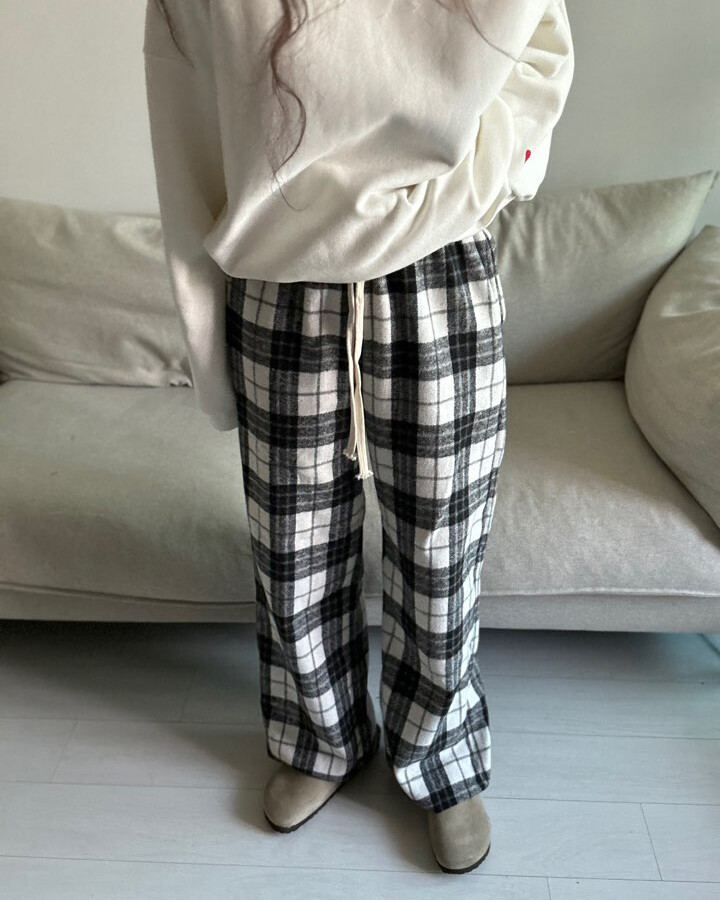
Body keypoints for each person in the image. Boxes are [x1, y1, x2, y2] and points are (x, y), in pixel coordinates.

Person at [143, 0, 574, 874]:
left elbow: (542, 48)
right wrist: (206, 331)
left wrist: (490, 174)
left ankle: (439, 752)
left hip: (439, 263)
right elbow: (183, 112)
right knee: (292, 551)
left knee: (442, 547)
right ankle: (320, 738)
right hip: (281, 274)